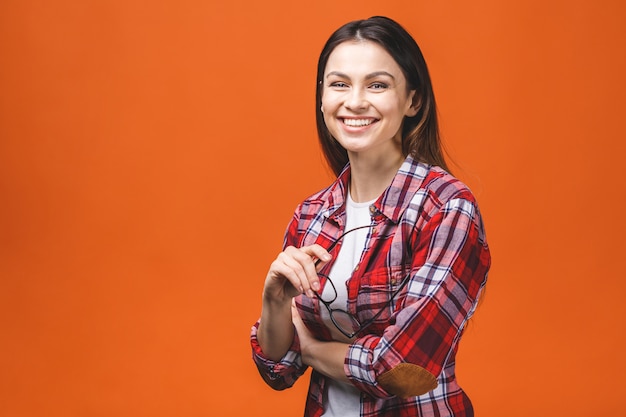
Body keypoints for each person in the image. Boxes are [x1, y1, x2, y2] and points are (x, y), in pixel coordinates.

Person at [250, 16, 490, 417]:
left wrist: (309, 348)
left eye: (377, 85)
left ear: (413, 100)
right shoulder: (312, 214)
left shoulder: (445, 207)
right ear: (322, 97)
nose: (355, 101)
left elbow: (400, 368)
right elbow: (278, 368)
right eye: (339, 84)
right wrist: (274, 301)